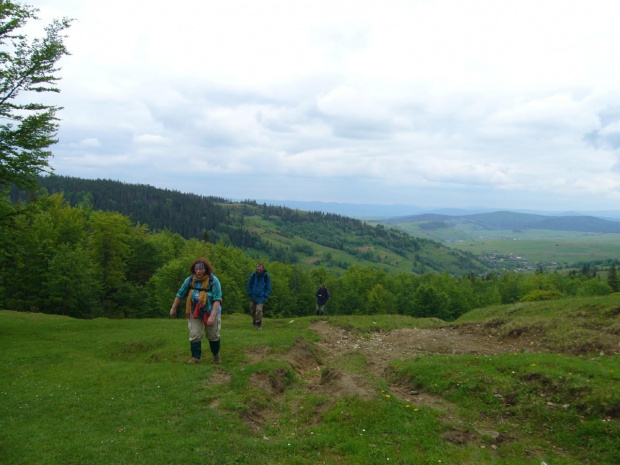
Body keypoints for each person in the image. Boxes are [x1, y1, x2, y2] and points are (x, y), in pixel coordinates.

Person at [170, 258, 222, 364]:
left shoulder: (213, 280)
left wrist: (212, 316)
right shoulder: (190, 280)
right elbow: (180, 294)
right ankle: (195, 357)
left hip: (211, 310)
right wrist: (173, 308)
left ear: (206, 270)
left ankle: (216, 355)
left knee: (212, 335)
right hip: (194, 311)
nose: (198, 271)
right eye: (196, 269)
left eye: (201, 269)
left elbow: (217, 299)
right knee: (195, 334)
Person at [246, 263, 271, 329]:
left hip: (261, 296)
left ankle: (259, 323)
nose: (259, 271)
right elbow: (249, 285)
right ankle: (254, 320)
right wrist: (250, 293)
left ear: (263, 269)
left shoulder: (266, 276)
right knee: (252, 309)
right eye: (258, 269)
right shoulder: (253, 276)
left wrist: (266, 295)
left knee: (259, 310)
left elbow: (268, 287)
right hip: (253, 296)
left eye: (260, 270)